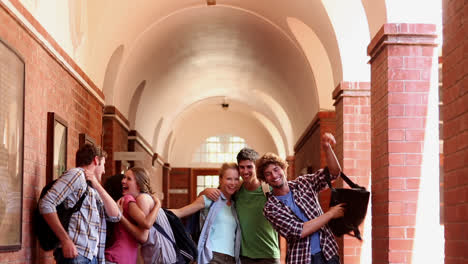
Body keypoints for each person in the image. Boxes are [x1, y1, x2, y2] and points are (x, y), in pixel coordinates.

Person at [257, 133, 345, 264]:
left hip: (328, 253)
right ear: (265, 179)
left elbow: (334, 173)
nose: (274, 175)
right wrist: (331, 214)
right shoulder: (270, 208)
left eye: (276, 169)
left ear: (283, 168)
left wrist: (327, 148)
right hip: (302, 260)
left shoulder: (304, 183)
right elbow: (300, 231)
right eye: (268, 174)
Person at [39, 143, 121, 264]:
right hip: (77, 254)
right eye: (103, 164)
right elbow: (46, 203)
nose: (104, 170)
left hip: (90, 256)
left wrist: (97, 184)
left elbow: (116, 216)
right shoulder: (77, 175)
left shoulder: (93, 186)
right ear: (96, 160)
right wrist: (65, 240)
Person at [203, 148, 281, 263]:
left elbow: (283, 223)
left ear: (256, 167)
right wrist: (205, 191)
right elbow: (217, 193)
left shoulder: (269, 191)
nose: (245, 171)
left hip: (269, 255)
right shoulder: (236, 191)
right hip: (244, 257)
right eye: (242, 167)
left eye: (249, 167)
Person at [171, 162, 241, 264]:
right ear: (220, 179)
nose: (233, 183)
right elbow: (181, 212)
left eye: (236, 179)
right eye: (229, 179)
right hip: (212, 257)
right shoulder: (211, 199)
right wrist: (157, 210)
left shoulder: (235, 205)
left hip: (231, 259)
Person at [103, 167, 161, 264]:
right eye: (124, 178)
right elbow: (146, 225)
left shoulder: (115, 205)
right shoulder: (127, 199)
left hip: (115, 257)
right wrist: (158, 204)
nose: (123, 181)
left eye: (128, 179)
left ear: (138, 184)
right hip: (118, 258)